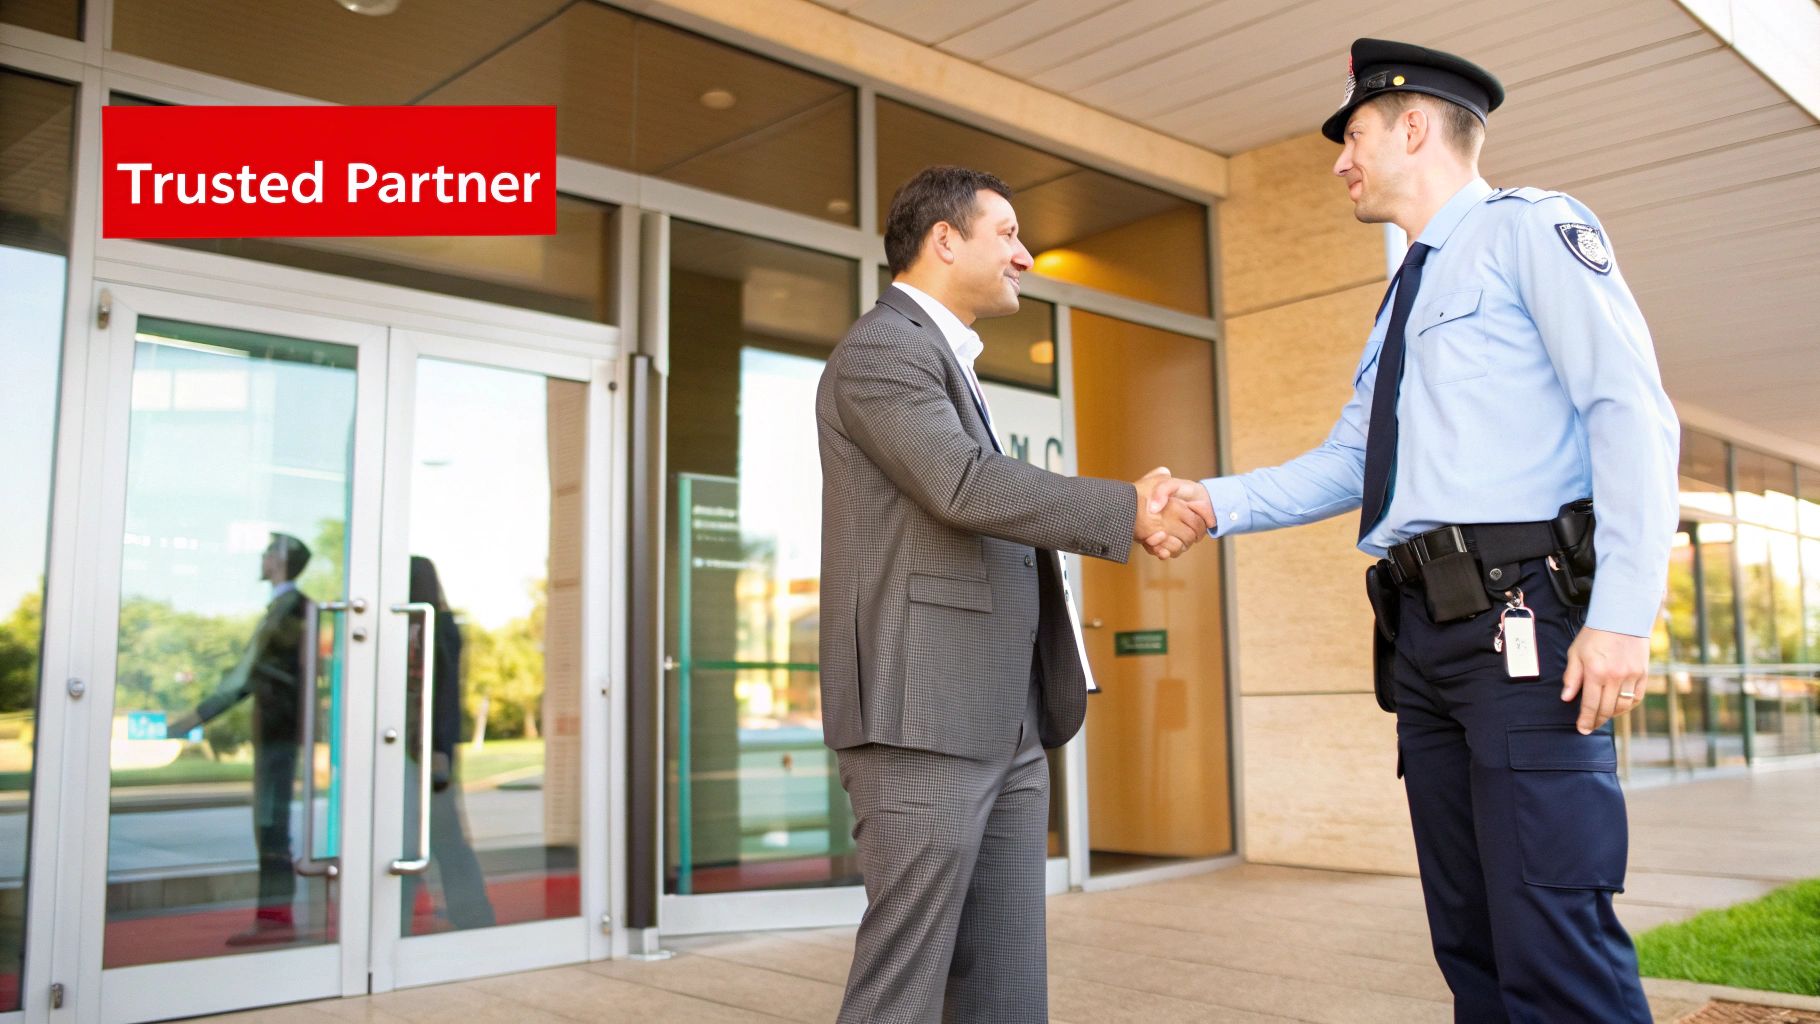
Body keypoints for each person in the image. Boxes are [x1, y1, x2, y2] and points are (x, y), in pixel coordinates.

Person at [1162, 38, 1679, 1023]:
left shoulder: (1531, 229)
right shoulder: (1404, 288)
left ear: (1409, 125)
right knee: (1470, 940)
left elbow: (1628, 411)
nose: (1338, 161)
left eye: (1350, 135)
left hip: (1523, 627)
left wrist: (1623, 611)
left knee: (1550, 937)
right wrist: (1206, 501)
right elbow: (1350, 462)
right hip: (1427, 641)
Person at [817, 164, 1213, 1023]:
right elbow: (962, 484)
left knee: (1003, 983)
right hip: (921, 717)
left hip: (1002, 715)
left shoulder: (944, 358)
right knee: (904, 987)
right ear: (944, 240)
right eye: (1007, 234)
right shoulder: (882, 351)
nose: (1026, 255)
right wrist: (1126, 508)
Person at [168, 532, 313, 947]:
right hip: (276, 729)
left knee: (270, 822)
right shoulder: (283, 607)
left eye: (270, 551)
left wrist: (197, 715)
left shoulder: (291, 609)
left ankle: (275, 922)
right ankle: (274, 919)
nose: (263, 557)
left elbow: (250, 673)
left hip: (280, 730)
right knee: (269, 822)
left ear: (282, 561)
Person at [400, 555, 496, 933]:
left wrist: (438, 749)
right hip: (418, 747)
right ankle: (468, 914)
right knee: (438, 835)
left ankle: (472, 915)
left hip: (427, 750)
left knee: (442, 836)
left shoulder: (434, 626)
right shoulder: (420, 625)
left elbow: (442, 694)